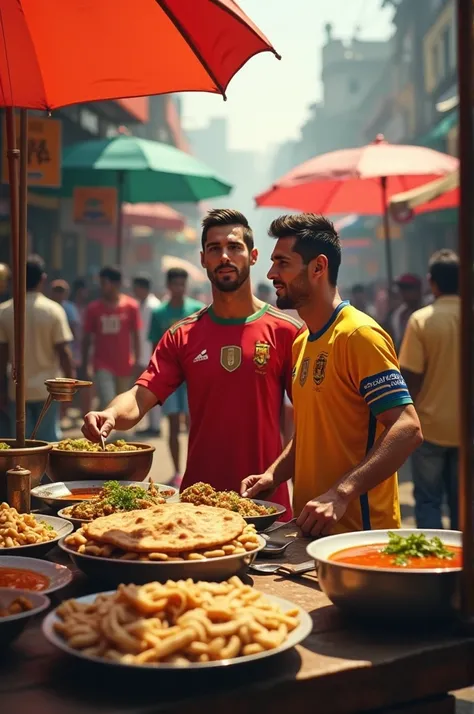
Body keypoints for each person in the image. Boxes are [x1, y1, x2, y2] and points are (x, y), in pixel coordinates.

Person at [82, 208, 300, 516]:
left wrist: (278, 473)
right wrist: (110, 414)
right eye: (215, 249)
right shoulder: (182, 335)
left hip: (267, 505)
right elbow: (140, 395)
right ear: (203, 259)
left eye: (234, 247)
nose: (225, 256)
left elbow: (310, 421)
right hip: (199, 508)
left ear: (252, 256)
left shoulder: (286, 331)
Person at [241, 213, 422, 536]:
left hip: (360, 536)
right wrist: (275, 474)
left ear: (318, 267)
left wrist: (342, 493)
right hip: (310, 530)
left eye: (282, 263)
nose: (271, 274)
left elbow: (407, 428)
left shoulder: (359, 335)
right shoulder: (302, 341)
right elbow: (312, 429)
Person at [399, 250, 460, 529]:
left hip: (431, 426)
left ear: (431, 282)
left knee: (428, 500)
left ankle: (434, 565)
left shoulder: (421, 320)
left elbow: (410, 377)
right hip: (465, 429)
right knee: (463, 503)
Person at [0, 255, 74, 441]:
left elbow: (2, 356)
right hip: (48, 390)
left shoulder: (5, 311)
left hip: (16, 389)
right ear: (43, 279)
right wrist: (69, 390)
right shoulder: (54, 310)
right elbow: (64, 353)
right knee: (47, 442)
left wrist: (1, 390)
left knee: (21, 442)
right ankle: (46, 472)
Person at [148, 268, 204, 484]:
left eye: (182, 284)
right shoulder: (159, 313)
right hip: (171, 378)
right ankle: (177, 470)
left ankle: (194, 467)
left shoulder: (197, 310)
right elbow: (156, 347)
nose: (179, 288)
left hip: (193, 376)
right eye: (175, 284)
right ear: (168, 286)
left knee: (193, 424)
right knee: (172, 424)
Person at [81, 266, 141, 410]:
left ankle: (119, 431)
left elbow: (136, 335)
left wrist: (137, 360)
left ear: (116, 284)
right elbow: (87, 338)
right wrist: (85, 365)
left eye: (104, 283)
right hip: (102, 363)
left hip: (124, 363)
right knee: (107, 399)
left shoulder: (131, 306)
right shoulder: (93, 309)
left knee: (122, 402)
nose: (101, 287)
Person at [133, 274, 161, 437]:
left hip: (150, 353)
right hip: (143, 353)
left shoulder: (153, 306)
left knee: (153, 391)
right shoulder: (141, 304)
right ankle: (151, 424)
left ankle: (155, 426)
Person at [386, 274, 423, 351]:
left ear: (418, 290)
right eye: (402, 290)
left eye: (408, 289)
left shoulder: (427, 311)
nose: (405, 294)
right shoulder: (398, 315)